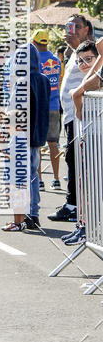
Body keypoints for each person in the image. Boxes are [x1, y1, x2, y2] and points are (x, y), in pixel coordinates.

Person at [48, 14, 93, 223]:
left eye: (75, 26)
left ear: (86, 30)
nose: (69, 30)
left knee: (77, 162)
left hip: (81, 117)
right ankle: (74, 204)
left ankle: (74, 206)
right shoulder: (76, 53)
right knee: (73, 160)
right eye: (67, 25)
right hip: (71, 117)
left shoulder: (90, 52)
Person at [60, 40, 103, 248]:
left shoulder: (98, 73)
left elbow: (77, 94)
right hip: (87, 136)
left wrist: (78, 104)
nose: (84, 64)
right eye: (80, 61)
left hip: (96, 137)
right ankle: (83, 226)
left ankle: (89, 228)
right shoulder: (92, 71)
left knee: (93, 186)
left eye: (89, 59)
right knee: (85, 183)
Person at [2, 44, 50, 231]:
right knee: (33, 176)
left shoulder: (22, 81)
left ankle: (19, 219)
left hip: (20, 134)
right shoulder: (44, 80)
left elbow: (12, 112)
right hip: (37, 134)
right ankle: (33, 214)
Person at [32, 29, 62, 189]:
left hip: (39, 107)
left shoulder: (34, 60)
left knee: (37, 144)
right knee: (53, 144)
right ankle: (56, 179)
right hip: (54, 106)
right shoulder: (56, 60)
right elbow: (59, 81)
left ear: (34, 43)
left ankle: (40, 180)